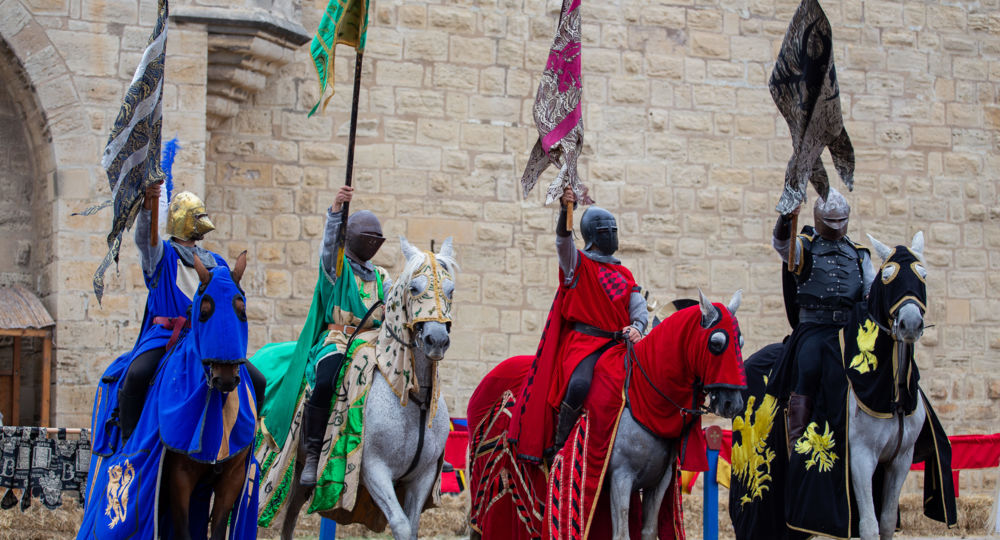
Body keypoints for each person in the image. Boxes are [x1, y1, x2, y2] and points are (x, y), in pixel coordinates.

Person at [254, 185, 390, 487]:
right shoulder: (337, 270)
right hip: (338, 341)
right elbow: (329, 248)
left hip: (373, 343)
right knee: (327, 379)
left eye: (376, 240)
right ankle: (313, 452)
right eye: (367, 238)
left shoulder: (381, 277)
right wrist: (337, 212)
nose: (372, 244)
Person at [117, 183, 266, 441]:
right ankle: (128, 443)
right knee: (136, 374)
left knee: (258, 381)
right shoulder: (162, 256)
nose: (203, 222)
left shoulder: (217, 262)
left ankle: (250, 441)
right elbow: (146, 240)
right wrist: (148, 208)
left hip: (207, 338)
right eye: (197, 216)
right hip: (167, 337)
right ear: (182, 220)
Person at [771, 187, 874, 448]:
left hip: (849, 331)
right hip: (815, 327)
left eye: (841, 220)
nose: (837, 226)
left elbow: (871, 290)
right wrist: (786, 218)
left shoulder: (860, 253)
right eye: (832, 221)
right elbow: (782, 245)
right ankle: (796, 440)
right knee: (808, 366)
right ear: (819, 219)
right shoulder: (805, 247)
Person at [549, 187, 648, 449]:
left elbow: (638, 308)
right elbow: (563, 242)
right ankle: (561, 443)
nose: (611, 236)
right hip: (585, 345)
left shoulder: (625, 274)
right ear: (593, 236)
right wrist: (564, 211)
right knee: (580, 384)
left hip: (619, 346)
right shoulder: (577, 263)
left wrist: (638, 327)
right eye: (605, 231)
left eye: (614, 231)